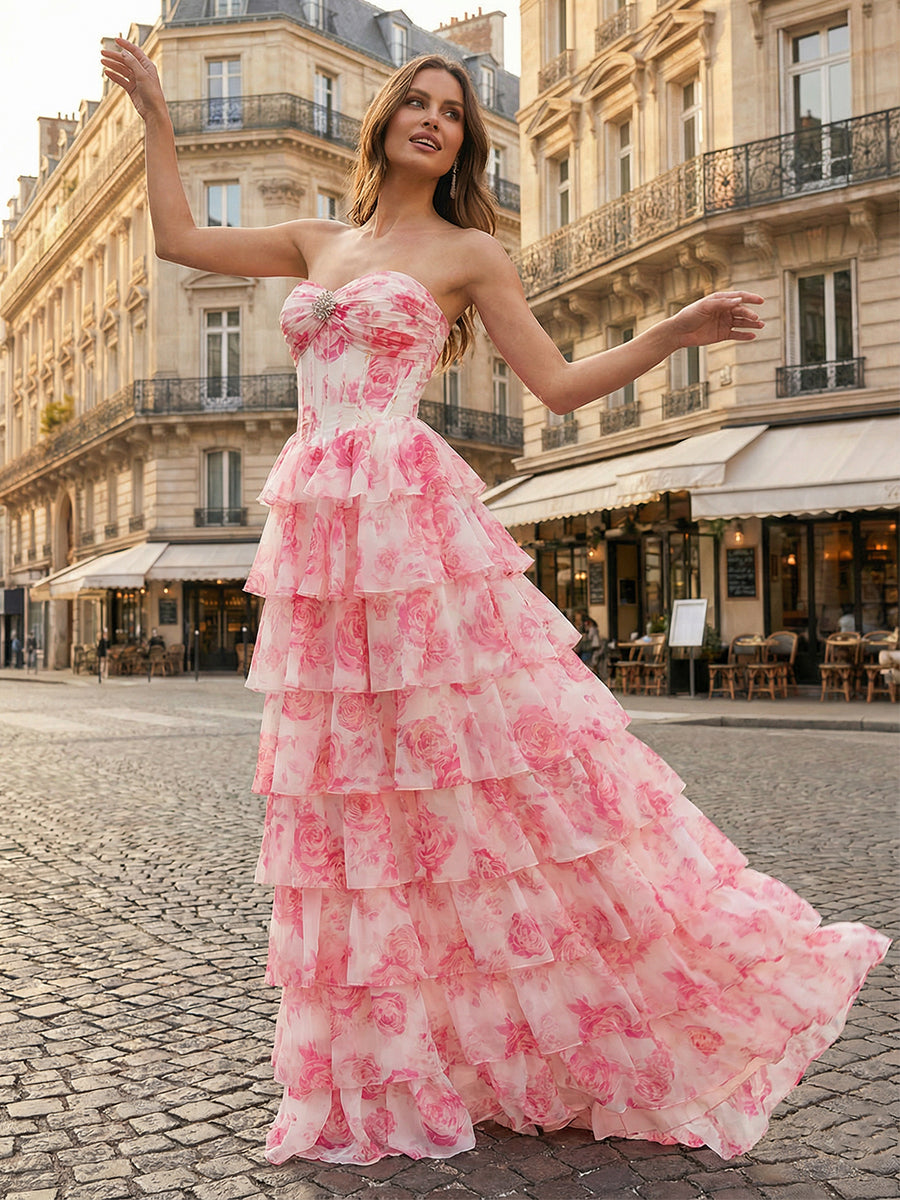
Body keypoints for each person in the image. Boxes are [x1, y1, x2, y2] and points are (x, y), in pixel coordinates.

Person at [103, 37, 888, 1168]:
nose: (433, 120)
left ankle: (618, 986)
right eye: (416, 103)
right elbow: (179, 238)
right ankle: (400, 1053)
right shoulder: (319, 239)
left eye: (454, 113)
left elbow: (558, 385)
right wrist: (156, 119)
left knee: (485, 771)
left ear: (465, 141)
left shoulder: (471, 251)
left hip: (405, 525)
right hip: (319, 537)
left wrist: (669, 335)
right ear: (380, 122)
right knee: (352, 801)